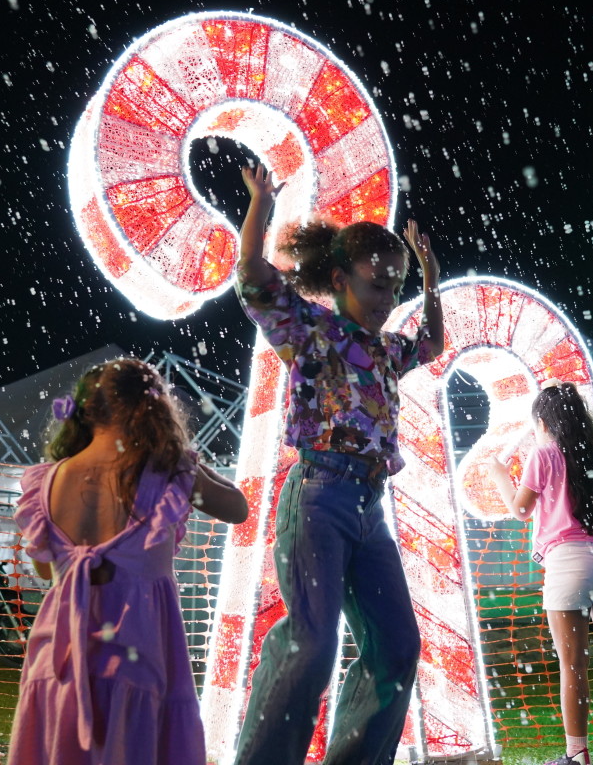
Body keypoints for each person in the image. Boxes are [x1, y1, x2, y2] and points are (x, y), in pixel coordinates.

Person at [232, 165, 445, 765]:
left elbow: (432, 343)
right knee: (312, 645)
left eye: (395, 289)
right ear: (337, 278)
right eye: (377, 285)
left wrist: (429, 280)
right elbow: (251, 276)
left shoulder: (387, 350)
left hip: (368, 509)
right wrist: (260, 204)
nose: (387, 301)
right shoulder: (310, 328)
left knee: (398, 647)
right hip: (318, 496)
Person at [6, 357, 248, 764]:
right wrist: (186, 460)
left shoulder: (49, 479)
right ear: (154, 410)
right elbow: (237, 508)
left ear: (84, 412)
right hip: (134, 650)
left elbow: (46, 569)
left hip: (58, 658)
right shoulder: (169, 474)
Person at [490, 379, 593, 765]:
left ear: (544, 422)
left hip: (567, 563)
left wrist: (500, 476)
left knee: (573, 666)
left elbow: (520, 510)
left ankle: (577, 755)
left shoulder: (544, 454)